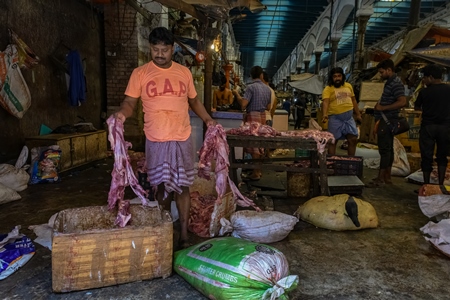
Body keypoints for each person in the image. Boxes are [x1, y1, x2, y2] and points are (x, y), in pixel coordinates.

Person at [112, 27, 216, 248]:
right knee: (161, 187)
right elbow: (130, 102)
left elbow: (194, 101)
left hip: (182, 137)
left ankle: (184, 235)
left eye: (164, 50)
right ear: (150, 47)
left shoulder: (184, 73)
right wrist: (121, 114)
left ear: (173, 49)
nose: (159, 54)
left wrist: (208, 120)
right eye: (155, 49)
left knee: (183, 187)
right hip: (156, 138)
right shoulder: (140, 73)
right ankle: (166, 231)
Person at [368, 59, 407, 187]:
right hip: (386, 120)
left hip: (388, 120)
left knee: (385, 150)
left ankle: (380, 178)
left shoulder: (396, 83)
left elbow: (402, 101)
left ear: (389, 70)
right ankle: (387, 177)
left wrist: (383, 108)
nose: (380, 75)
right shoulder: (390, 82)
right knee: (388, 149)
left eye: (381, 72)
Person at [232, 66, 271, 180]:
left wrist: (236, 94)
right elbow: (268, 107)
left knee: (253, 144)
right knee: (260, 143)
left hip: (253, 116)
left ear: (251, 75)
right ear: (261, 75)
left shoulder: (250, 88)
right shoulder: (267, 89)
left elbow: (243, 104)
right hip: (263, 116)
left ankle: (255, 172)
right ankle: (258, 171)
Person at [414, 64, 450, 185]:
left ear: (430, 77)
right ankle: (440, 185)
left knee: (426, 157)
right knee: (442, 156)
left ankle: (426, 184)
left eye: (424, 77)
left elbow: (417, 107)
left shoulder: (424, 92)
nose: (423, 80)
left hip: (428, 127)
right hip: (445, 128)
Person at [321, 67, 362, 155]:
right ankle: (332, 162)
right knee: (333, 141)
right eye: (335, 76)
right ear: (332, 78)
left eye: (339, 76)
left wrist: (358, 114)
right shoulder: (328, 89)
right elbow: (325, 102)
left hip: (349, 118)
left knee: (353, 139)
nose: (337, 78)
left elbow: (354, 100)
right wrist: (325, 114)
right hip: (335, 119)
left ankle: (351, 161)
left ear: (342, 76)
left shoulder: (348, 86)